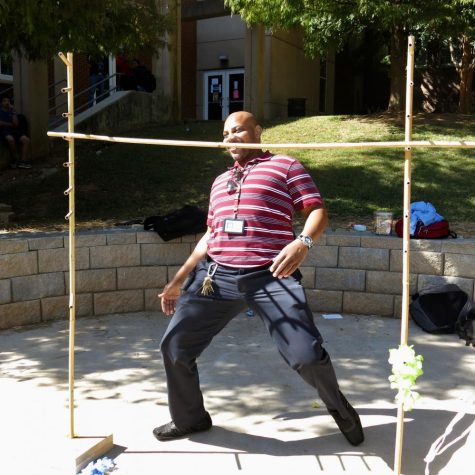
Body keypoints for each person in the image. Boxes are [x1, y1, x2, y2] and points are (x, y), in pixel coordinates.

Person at [154, 111, 364, 447]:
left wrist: (303, 242)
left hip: (272, 276)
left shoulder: (286, 166)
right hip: (215, 277)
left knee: (306, 356)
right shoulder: (220, 182)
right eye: (225, 134)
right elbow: (210, 234)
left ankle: (340, 408)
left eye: (237, 130)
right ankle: (190, 418)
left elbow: (317, 209)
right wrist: (178, 279)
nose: (230, 138)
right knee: (174, 347)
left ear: (258, 132)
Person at [0, 94, 32, 169]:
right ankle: (15, 157)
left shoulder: (11, 111)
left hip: (13, 130)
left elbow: (16, 123)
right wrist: (10, 124)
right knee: (10, 139)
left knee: (26, 140)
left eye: (8, 101)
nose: (7, 102)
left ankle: (23, 161)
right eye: (4, 101)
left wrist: (13, 112)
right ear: (1, 103)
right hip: (3, 131)